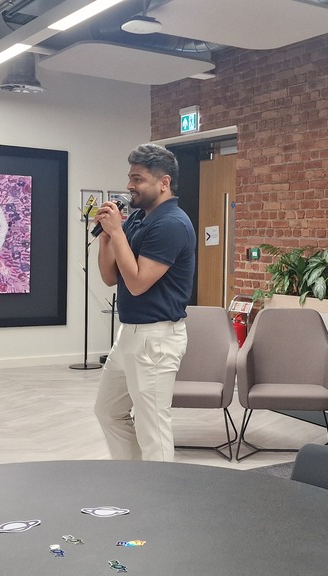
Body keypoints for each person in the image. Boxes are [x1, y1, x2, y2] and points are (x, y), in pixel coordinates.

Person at [92, 144, 196, 461]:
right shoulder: (138, 218)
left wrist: (118, 235)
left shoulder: (172, 224)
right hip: (130, 334)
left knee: (153, 429)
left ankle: (161, 500)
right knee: (108, 411)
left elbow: (137, 284)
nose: (129, 186)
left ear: (163, 183)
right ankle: (134, 480)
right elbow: (110, 277)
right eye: (130, 177)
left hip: (157, 338)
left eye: (138, 179)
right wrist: (107, 237)